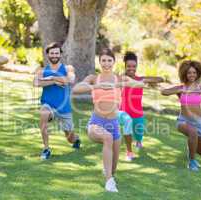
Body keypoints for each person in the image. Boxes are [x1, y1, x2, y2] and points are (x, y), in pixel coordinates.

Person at [72, 48, 144, 192]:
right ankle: (109, 182)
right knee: (107, 138)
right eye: (103, 60)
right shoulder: (94, 78)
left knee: (113, 168)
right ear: (99, 62)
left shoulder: (119, 78)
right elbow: (76, 89)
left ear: (113, 62)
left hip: (114, 123)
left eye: (109, 60)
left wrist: (122, 84)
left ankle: (109, 174)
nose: (106, 63)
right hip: (96, 122)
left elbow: (140, 84)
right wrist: (95, 86)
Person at [161, 60, 201, 171]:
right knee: (192, 132)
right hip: (183, 120)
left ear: (197, 73)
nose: (192, 75)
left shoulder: (200, 87)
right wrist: (179, 90)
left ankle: (191, 148)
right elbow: (164, 92)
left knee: (200, 151)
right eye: (189, 73)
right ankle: (192, 162)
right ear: (185, 74)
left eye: (194, 72)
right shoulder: (181, 88)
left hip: (199, 122)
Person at [33, 42, 81, 160]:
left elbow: (70, 79)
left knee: (70, 138)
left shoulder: (67, 68)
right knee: (43, 114)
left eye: (56, 53)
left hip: (64, 108)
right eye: (52, 53)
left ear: (60, 54)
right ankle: (46, 148)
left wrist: (51, 78)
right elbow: (36, 83)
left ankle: (76, 139)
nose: (54, 55)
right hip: (48, 104)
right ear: (48, 55)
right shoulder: (42, 70)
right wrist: (55, 81)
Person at [119, 51, 164, 161]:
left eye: (134, 66)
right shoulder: (121, 79)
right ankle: (129, 152)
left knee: (139, 134)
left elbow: (160, 79)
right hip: (124, 112)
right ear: (125, 66)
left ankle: (138, 141)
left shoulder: (140, 79)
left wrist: (146, 80)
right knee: (127, 129)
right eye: (128, 66)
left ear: (137, 66)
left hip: (137, 113)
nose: (131, 68)